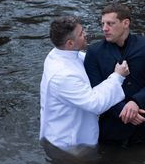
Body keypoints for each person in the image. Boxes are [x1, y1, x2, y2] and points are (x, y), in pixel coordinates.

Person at [39, 16, 139, 153]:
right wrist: (117, 77)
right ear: (69, 43)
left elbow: (88, 60)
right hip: (69, 144)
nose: (85, 34)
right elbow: (95, 103)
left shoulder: (61, 53)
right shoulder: (63, 75)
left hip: (67, 131)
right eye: (81, 34)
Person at [84, 3, 145, 147]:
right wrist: (123, 111)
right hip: (110, 131)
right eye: (102, 23)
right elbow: (94, 90)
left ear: (125, 23)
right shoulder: (94, 52)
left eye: (110, 23)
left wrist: (136, 102)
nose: (104, 28)